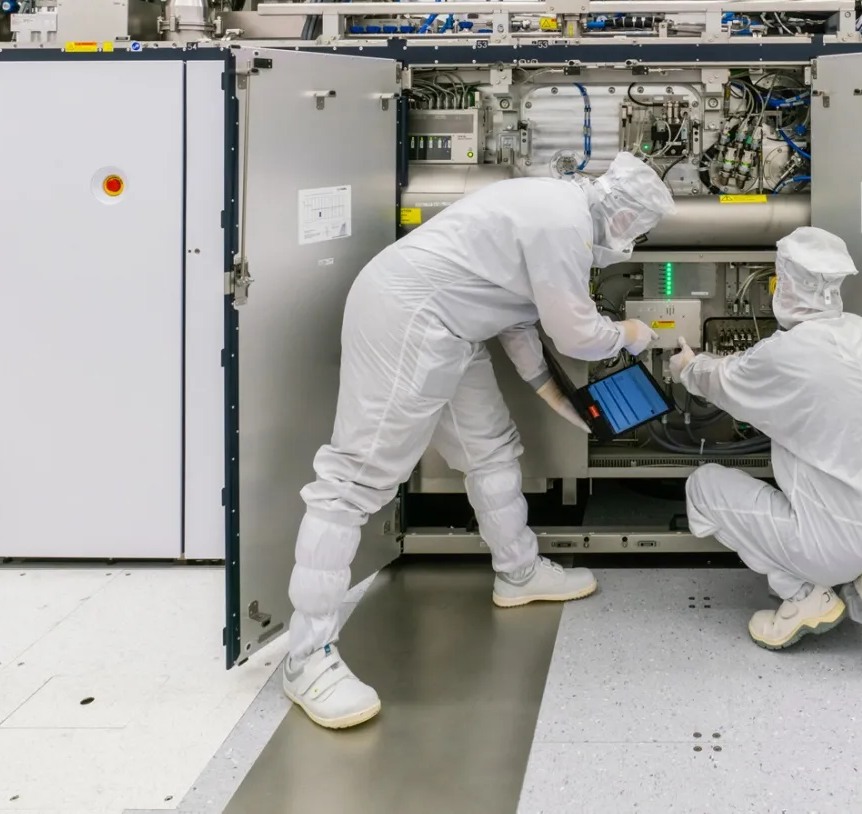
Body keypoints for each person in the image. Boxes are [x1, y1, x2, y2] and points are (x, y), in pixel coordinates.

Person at [281, 152, 677, 728]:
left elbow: (515, 316)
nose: (635, 241)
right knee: (352, 482)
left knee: (491, 447)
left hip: (453, 324)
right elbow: (576, 332)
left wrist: (558, 397)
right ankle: (306, 659)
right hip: (411, 318)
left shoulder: (556, 207)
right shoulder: (561, 222)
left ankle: (518, 572)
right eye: (640, 230)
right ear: (624, 215)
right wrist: (634, 335)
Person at [670, 226, 862, 670]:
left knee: (703, 487)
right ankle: (860, 584)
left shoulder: (791, 352)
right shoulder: (859, 333)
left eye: (778, 278)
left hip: (826, 543)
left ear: (788, 282)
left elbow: (724, 380)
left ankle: (808, 595)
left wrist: (687, 366)